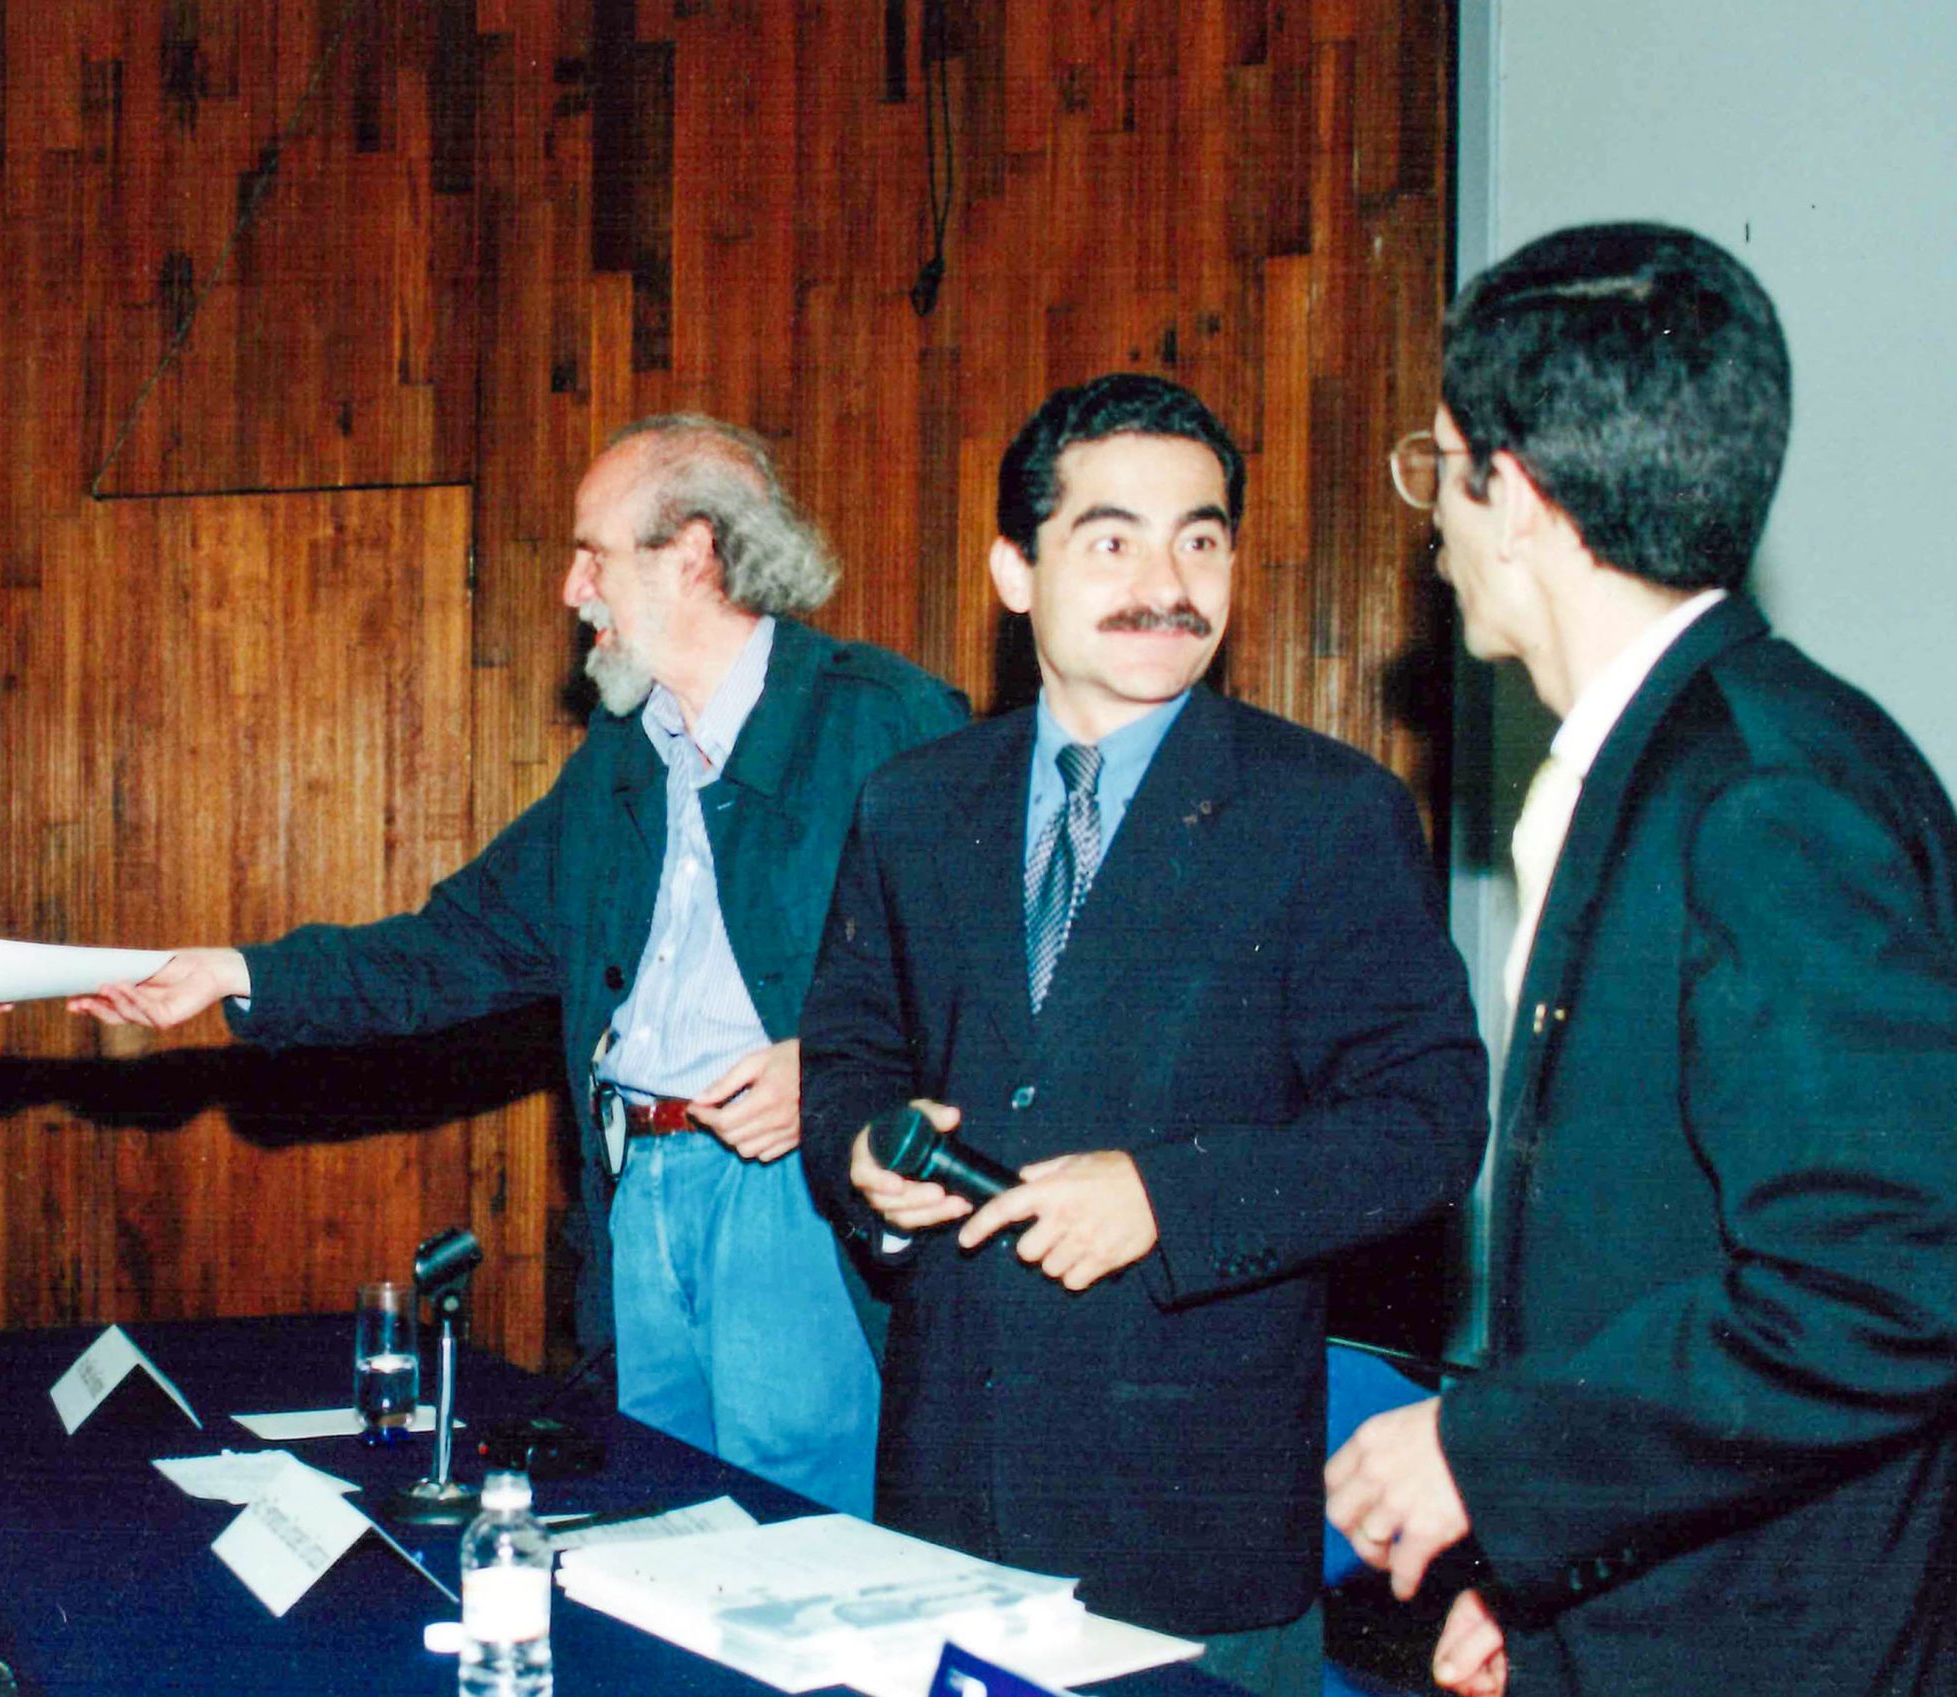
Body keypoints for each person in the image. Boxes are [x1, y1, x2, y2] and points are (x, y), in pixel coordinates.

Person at [77, 416, 966, 1517]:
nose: (569, 586)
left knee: (800, 1544)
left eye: (593, 551)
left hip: (791, 1197)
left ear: (691, 551)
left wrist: (835, 1072)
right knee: (663, 1525)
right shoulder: (617, 764)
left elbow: (988, 978)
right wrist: (233, 969)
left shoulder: (881, 719)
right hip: (634, 1195)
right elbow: (451, 946)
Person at [1323, 223, 1957, 1697]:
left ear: (1523, 497)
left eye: (1440, 471)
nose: (1435, 526)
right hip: (1665, 1609)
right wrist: (1546, 1579)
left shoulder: (1766, 802)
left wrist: (1487, 1453)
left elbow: (1880, 1289)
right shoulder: (1698, 750)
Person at [798, 374, 1486, 1697]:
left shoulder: (1328, 815)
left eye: (1203, 538)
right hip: (947, 1511)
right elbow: (850, 1053)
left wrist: (1167, 1199)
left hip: (1191, 1535)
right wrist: (865, 1157)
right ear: (1015, 568)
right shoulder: (913, 804)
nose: (1167, 582)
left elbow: (1429, 1124)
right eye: (1112, 539)